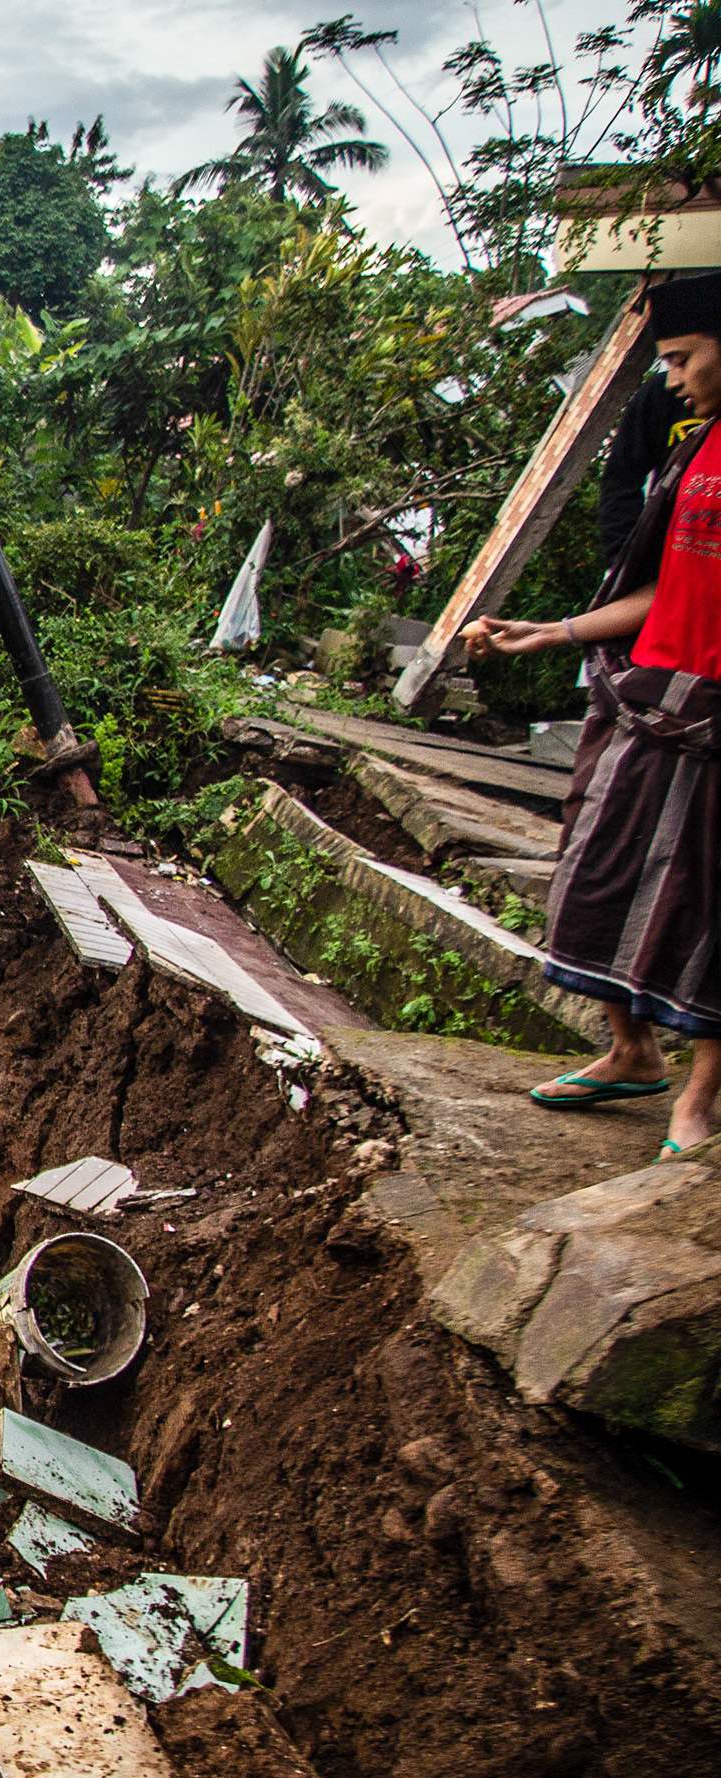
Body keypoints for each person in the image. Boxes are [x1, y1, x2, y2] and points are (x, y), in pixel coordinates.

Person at [472, 274, 721, 1155]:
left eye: (685, 359)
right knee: (595, 867)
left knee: (708, 902)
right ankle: (630, 1050)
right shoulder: (696, 455)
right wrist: (550, 632)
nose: (676, 380)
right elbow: (659, 588)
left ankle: (695, 1103)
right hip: (653, 689)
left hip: (714, 712)